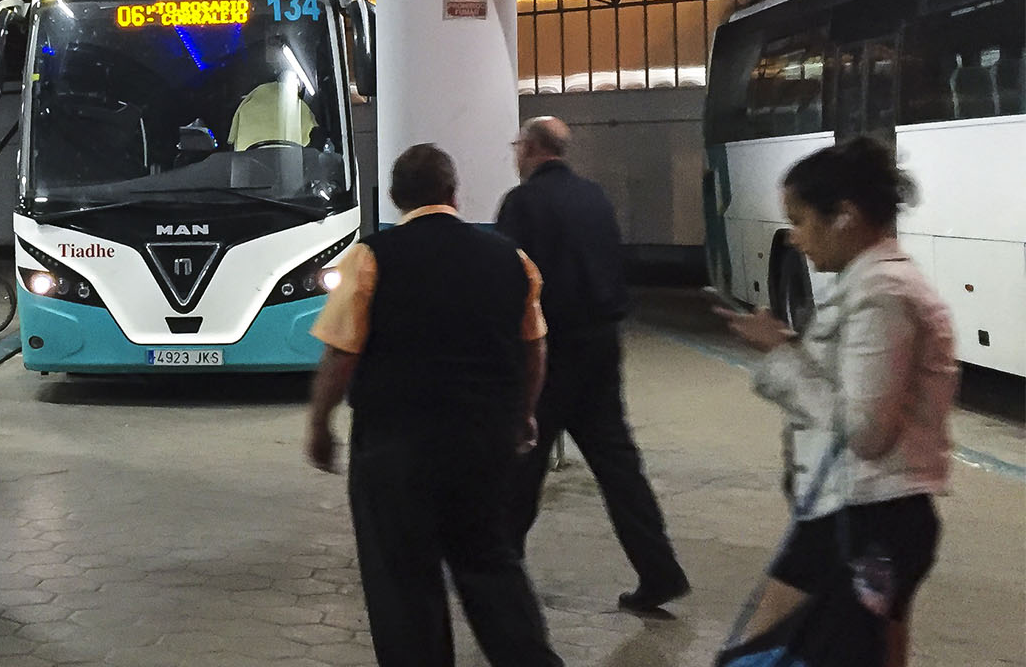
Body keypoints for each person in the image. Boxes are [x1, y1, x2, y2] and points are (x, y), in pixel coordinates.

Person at [305, 144, 562, 667]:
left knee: (402, 580)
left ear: (397, 198)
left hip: (395, 447)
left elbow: (340, 353)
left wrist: (320, 424)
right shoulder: (510, 258)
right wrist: (523, 413)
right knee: (492, 564)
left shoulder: (371, 256)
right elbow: (534, 346)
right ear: (454, 193)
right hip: (485, 443)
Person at [716, 137, 956, 667]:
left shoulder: (882, 294)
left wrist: (779, 351)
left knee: (760, 653)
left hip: (863, 519)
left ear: (844, 216)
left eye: (800, 220)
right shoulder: (874, 283)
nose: (796, 239)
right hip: (875, 515)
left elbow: (865, 429)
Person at [497, 116, 690, 613]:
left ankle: (499, 569)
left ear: (534, 149)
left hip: (550, 349)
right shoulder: (595, 197)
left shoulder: (522, 204)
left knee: (522, 460)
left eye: (518, 145)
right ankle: (659, 571)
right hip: (602, 346)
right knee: (618, 465)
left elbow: (511, 281)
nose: (515, 154)